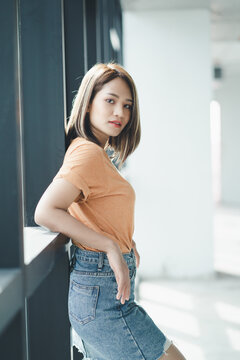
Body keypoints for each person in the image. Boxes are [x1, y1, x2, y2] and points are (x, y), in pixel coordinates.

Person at [34, 63, 186, 360]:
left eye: (127, 106)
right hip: (101, 296)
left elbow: (92, 209)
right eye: (110, 100)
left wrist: (125, 243)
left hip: (103, 292)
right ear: (88, 102)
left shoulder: (96, 153)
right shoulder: (88, 153)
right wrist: (110, 246)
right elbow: (46, 211)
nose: (120, 113)